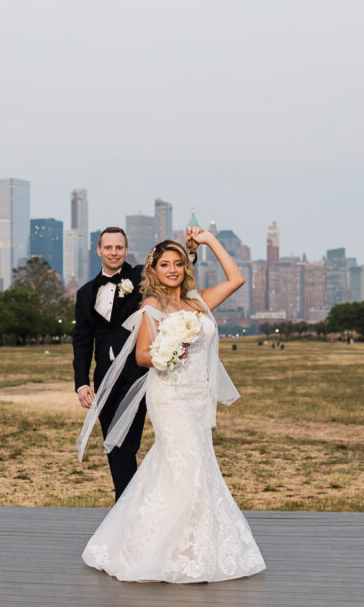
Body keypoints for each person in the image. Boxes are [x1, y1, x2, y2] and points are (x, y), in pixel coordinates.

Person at [77, 228, 265, 583]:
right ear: (154, 270)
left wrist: (209, 241)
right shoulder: (151, 306)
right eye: (165, 264)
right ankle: (160, 547)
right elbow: (143, 355)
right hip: (169, 395)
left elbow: (237, 278)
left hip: (196, 397)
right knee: (188, 461)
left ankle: (193, 544)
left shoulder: (198, 302)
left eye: (178, 263)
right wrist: (168, 354)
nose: (173, 269)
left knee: (193, 465)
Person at [72, 227, 197, 499]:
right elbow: (81, 342)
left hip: (138, 374)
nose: (114, 253)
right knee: (112, 443)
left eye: (119, 248)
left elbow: (171, 269)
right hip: (105, 379)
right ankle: (126, 502)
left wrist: (191, 252)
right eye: (108, 248)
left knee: (128, 443)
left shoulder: (141, 274)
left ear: (126, 250)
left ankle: (125, 504)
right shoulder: (84, 294)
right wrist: (81, 383)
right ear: (99, 251)